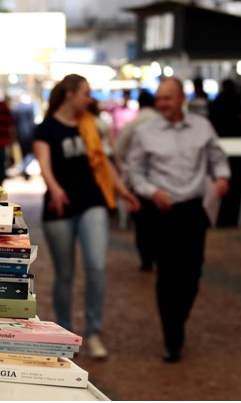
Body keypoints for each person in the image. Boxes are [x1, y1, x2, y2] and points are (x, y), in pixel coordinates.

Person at [32, 74, 140, 359]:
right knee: (64, 274)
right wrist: (54, 189)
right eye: (85, 93)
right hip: (60, 207)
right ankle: (66, 334)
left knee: (96, 268)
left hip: (92, 202)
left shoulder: (91, 124)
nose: (89, 99)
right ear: (69, 94)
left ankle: (93, 332)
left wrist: (121, 190)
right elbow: (44, 163)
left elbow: (103, 163)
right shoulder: (47, 129)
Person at [126, 77, 231, 363]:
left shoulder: (202, 127)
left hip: (194, 210)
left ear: (181, 98)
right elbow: (134, 173)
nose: (162, 104)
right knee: (168, 275)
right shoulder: (145, 132)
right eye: (159, 98)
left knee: (193, 272)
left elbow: (216, 158)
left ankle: (179, 320)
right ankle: (172, 337)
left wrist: (222, 177)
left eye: (167, 98)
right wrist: (151, 192)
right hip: (162, 211)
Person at [115, 90, 159, 272]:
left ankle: (146, 260)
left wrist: (128, 163)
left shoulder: (133, 124)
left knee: (142, 222)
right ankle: (159, 256)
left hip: (138, 179)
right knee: (159, 220)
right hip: (160, 179)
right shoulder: (161, 122)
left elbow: (119, 148)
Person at [12, 93, 36, 179]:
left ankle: (23, 168)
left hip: (20, 134)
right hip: (29, 133)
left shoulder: (17, 108)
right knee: (30, 153)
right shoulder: (30, 107)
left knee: (24, 153)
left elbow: (14, 122)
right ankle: (23, 168)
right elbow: (32, 120)